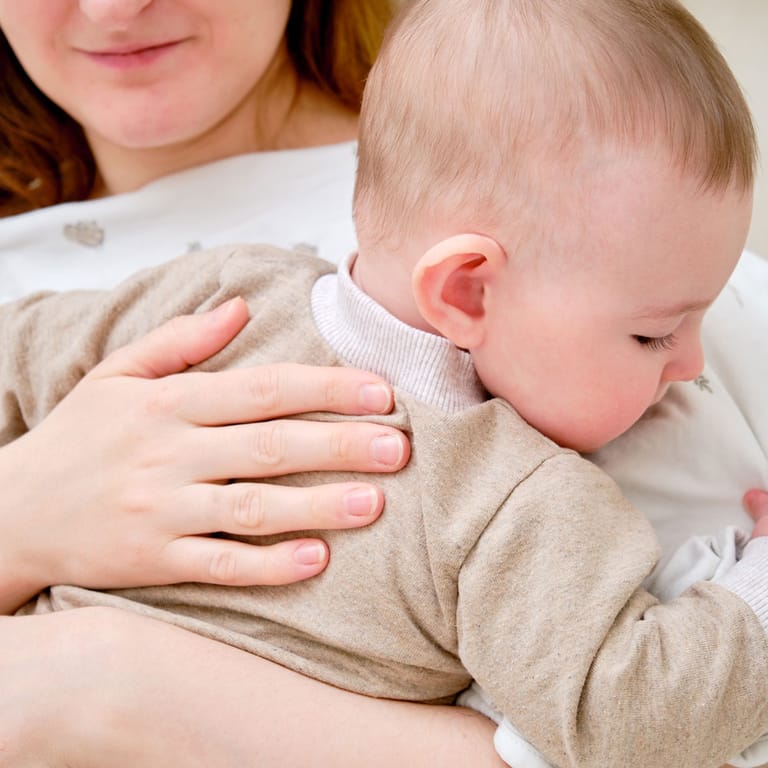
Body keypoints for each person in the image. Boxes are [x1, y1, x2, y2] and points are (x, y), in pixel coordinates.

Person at [4, 1, 768, 765]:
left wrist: (103, 685)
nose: (688, 366)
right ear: (466, 291)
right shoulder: (508, 501)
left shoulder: (226, 293)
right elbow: (634, 708)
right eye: (653, 337)